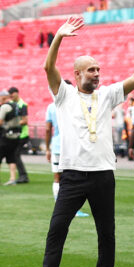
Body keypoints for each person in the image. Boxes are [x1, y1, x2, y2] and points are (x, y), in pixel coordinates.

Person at [23, 16, 134, 267]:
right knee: (57, 228)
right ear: (77, 74)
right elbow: (48, 66)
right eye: (91, 70)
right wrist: (58, 37)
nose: (97, 73)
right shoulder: (64, 95)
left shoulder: (107, 94)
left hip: (102, 174)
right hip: (72, 173)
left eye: (98, 69)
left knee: (106, 231)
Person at [45, 80, 89, 217]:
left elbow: (47, 129)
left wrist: (47, 148)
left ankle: (59, 206)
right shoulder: (75, 104)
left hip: (57, 145)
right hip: (72, 146)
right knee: (73, 178)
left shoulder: (51, 107)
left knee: (57, 177)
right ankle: (74, 209)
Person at [0, 90, 24, 185]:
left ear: (3, 97)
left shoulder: (5, 107)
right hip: (17, 136)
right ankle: (12, 179)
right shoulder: (16, 105)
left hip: (6, 136)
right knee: (11, 158)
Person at [8, 87, 30, 183]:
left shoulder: (22, 105)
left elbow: (25, 121)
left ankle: (23, 176)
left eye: (12, 94)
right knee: (15, 154)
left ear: (17, 93)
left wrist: (12, 124)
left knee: (15, 154)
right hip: (17, 134)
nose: (11, 96)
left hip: (22, 134)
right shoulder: (13, 104)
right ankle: (22, 175)